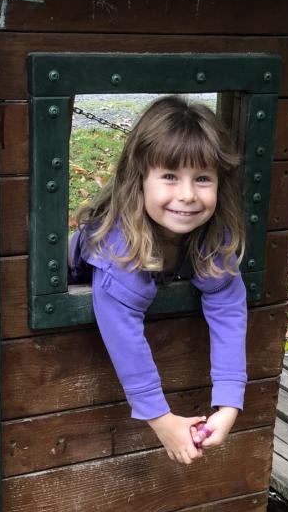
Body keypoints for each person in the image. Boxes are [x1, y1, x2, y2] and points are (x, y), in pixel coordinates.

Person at [69, 96, 247, 464]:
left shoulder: (214, 236)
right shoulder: (118, 244)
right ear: (139, 179)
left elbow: (228, 308)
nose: (187, 195)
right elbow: (122, 331)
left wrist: (229, 401)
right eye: (169, 176)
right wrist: (160, 418)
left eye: (202, 179)